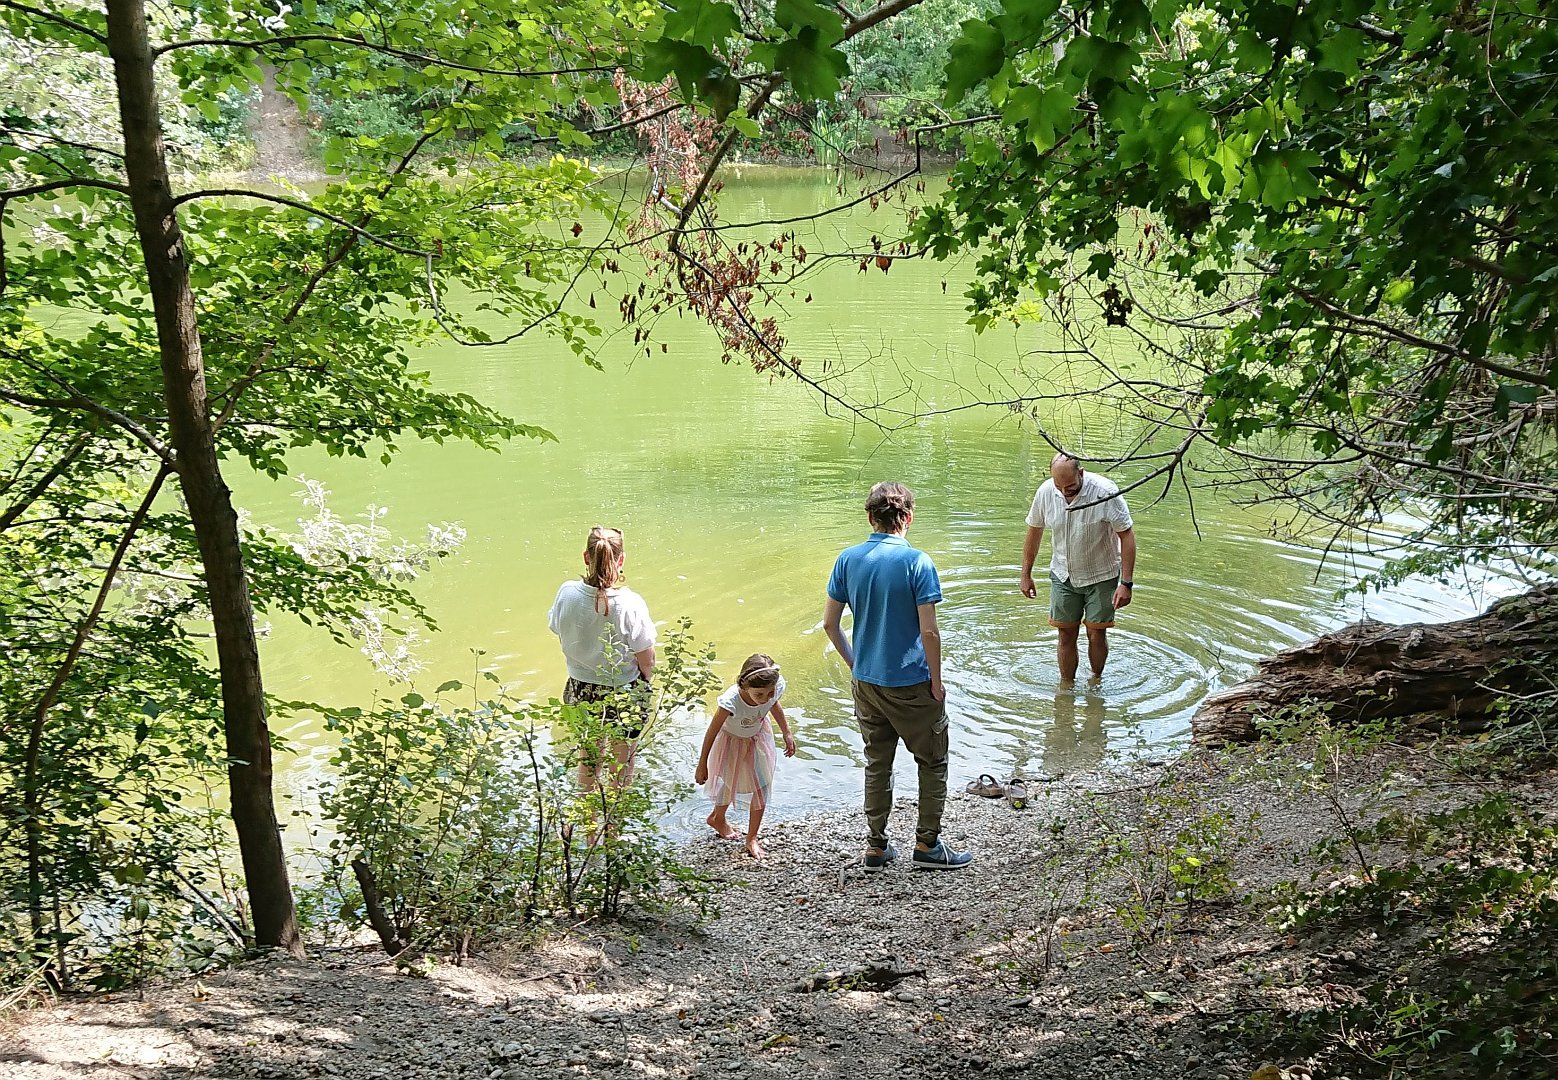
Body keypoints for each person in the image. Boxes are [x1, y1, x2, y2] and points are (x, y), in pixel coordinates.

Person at [822, 482, 973, 873]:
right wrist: (936, 682)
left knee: (877, 762)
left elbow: (830, 625)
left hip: (867, 682)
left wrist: (855, 664)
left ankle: (876, 847)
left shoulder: (847, 560)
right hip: (911, 684)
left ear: (870, 517)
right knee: (932, 762)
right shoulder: (917, 562)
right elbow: (929, 632)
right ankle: (927, 845)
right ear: (908, 517)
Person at [548, 526, 656, 803]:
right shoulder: (630, 602)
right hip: (624, 690)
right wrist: (646, 683)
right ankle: (613, 824)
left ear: (586, 557)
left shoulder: (566, 593)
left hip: (579, 686)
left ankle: (587, 821)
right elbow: (647, 657)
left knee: (588, 758)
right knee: (622, 761)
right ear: (621, 560)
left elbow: (556, 627)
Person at [1019, 451, 1137, 682]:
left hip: (1102, 575)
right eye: (1059, 487)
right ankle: (1066, 688)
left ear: (1081, 473)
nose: (1065, 492)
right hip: (1063, 574)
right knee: (1065, 634)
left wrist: (1126, 583)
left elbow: (1127, 535)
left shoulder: (1105, 492)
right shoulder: (1045, 492)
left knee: (1096, 633)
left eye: (1070, 487)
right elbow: (1034, 532)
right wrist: (1026, 574)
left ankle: (1096, 680)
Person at [694, 653, 797, 860]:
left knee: (762, 785)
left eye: (770, 692)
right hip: (731, 744)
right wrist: (702, 763)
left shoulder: (772, 690)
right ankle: (717, 818)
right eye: (760, 694)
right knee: (729, 782)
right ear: (744, 685)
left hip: (758, 740)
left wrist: (786, 732)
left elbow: (774, 704)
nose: (766, 698)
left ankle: (751, 838)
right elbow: (712, 732)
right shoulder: (731, 701)